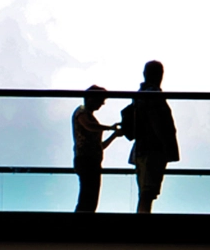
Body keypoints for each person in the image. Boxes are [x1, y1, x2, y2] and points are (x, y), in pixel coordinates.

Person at [127, 60, 179, 213]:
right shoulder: (153, 95)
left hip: (142, 149)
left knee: (145, 192)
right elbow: (159, 123)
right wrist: (168, 147)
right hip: (153, 149)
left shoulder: (139, 96)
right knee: (148, 192)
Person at [72, 85, 121, 212]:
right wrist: (109, 128)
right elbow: (89, 126)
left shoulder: (87, 115)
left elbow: (100, 146)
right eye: (100, 100)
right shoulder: (81, 111)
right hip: (86, 160)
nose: (102, 104)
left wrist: (114, 134)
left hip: (92, 161)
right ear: (90, 99)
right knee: (87, 199)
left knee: (90, 199)